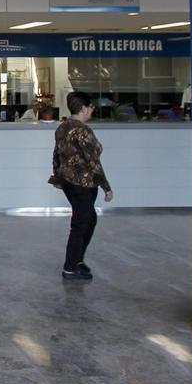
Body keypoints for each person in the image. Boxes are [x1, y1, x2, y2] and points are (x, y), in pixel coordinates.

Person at [50, 91, 114, 281]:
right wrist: (106, 187)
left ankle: (77, 260)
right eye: (91, 107)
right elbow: (93, 162)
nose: (92, 110)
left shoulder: (62, 127)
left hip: (69, 182)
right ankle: (70, 267)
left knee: (89, 220)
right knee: (80, 224)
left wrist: (58, 177)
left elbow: (56, 155)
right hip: (83, 184)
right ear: (84, 108)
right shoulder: (83, 131)